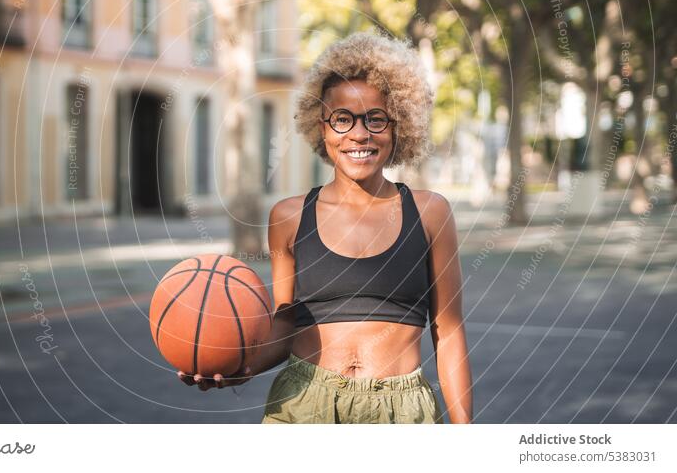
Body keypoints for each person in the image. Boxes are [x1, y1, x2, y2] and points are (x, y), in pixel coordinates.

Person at [178, 32, 473, 424]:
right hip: (302, 404)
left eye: (376, 118)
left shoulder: (430, 212)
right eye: (342, 119)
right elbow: (286, 322)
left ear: (399, 124)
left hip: (400, 412)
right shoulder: (288, 217)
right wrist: (237, 366)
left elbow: (449, 332)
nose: (359, 134)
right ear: (322, 127)